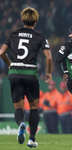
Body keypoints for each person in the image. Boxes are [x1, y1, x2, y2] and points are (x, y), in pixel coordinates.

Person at [0, 7, 53, 148]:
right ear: (36, 20)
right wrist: (48, 73)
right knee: (34, 107)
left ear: (22, 20)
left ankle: (20, 124)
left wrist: (10, 64)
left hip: (15, 74)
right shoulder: (39, 36)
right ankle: (32, 139)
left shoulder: (13, 34)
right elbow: (49, 57)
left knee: (19, 107)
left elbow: (1, 53)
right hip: (30, 74)